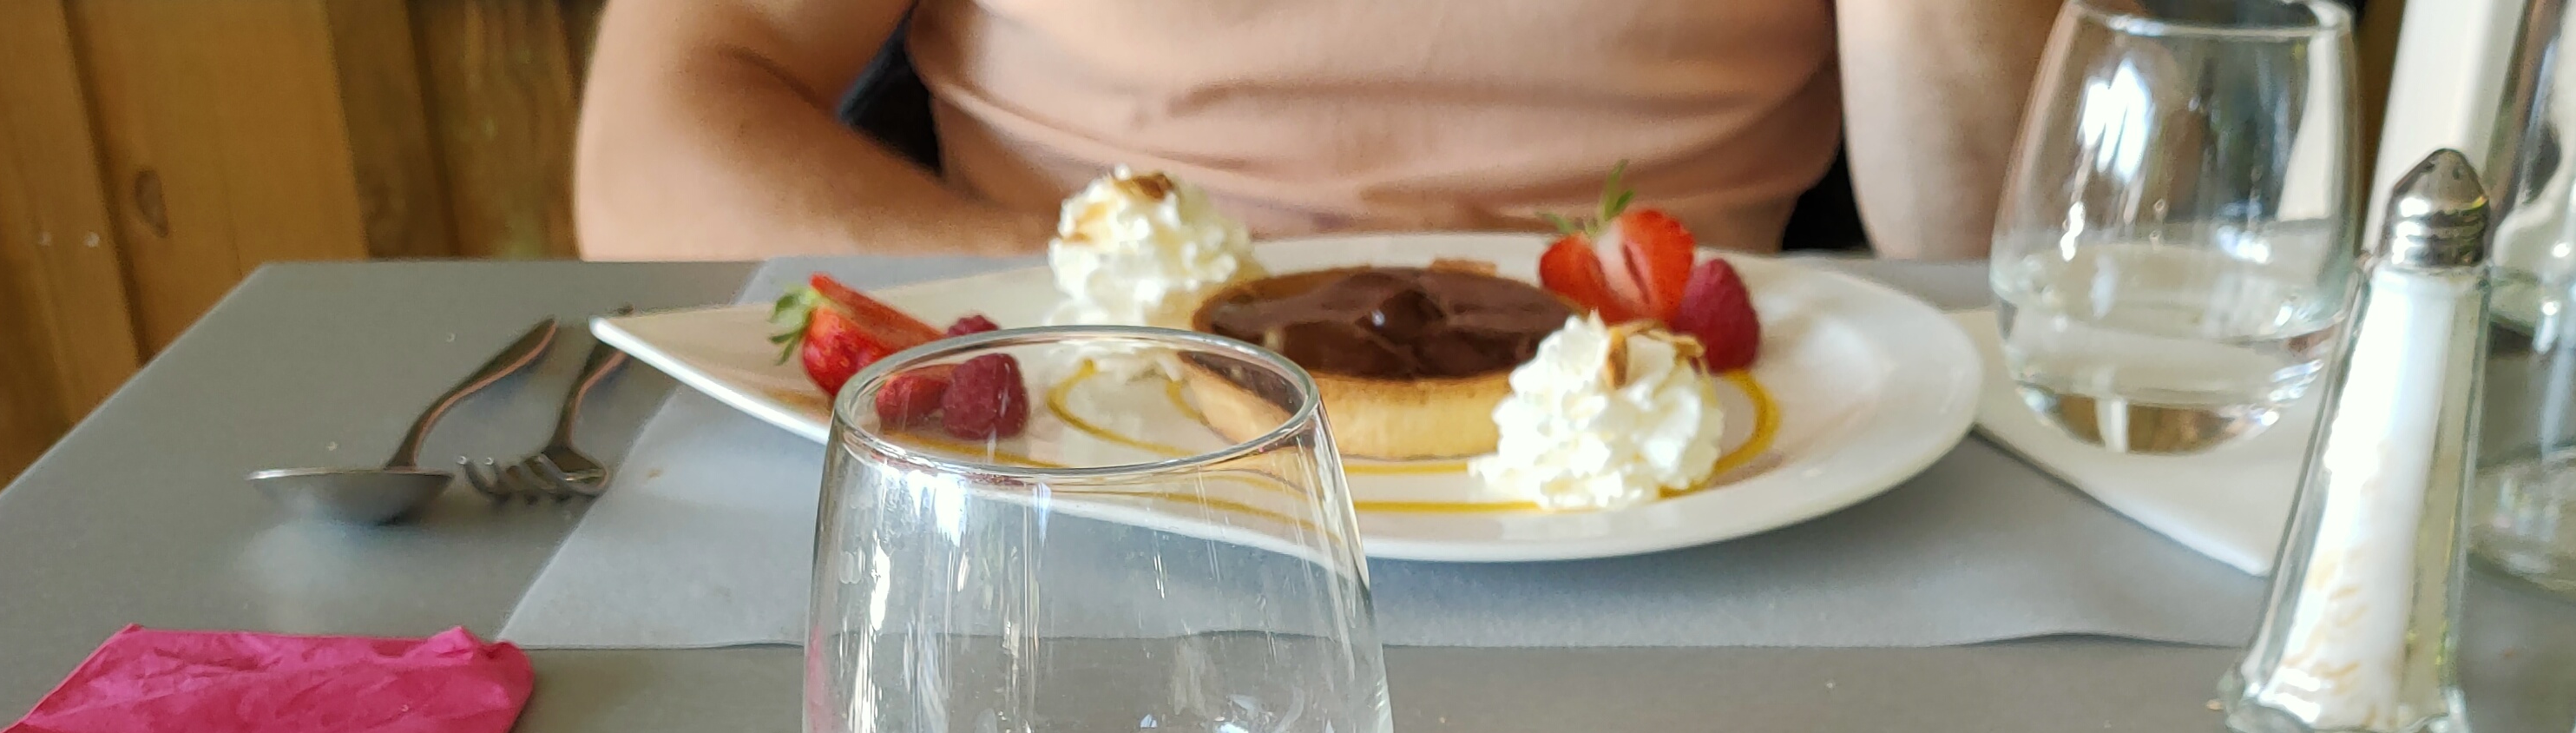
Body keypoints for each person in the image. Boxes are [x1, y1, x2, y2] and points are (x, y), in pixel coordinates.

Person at [575, 0, 2062, 261]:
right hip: (1079, 424)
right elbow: (657, 145)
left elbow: (2005, 253)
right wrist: (1122, 307)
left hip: (1709, 465)